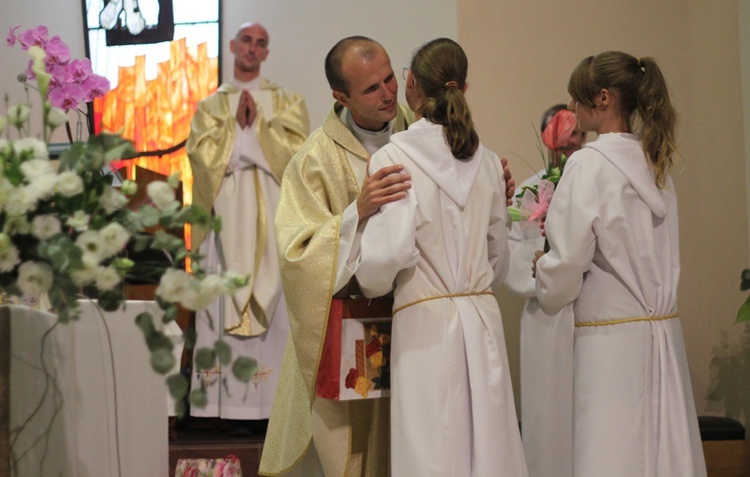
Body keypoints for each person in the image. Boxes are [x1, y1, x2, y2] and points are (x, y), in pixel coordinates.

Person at [259, 36, 516, 477]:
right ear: (341, 97)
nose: (388, 94)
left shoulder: (431, 132)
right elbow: (297, 253)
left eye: (389, 79)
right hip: (358, 335)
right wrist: (356, 213)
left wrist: (489, 188)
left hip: (422, 324)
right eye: (371, 89)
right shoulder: (314, 159)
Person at [355, 38, 529, 476]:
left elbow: (384, 261)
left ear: (411, 83)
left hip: (426, 329)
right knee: (487, 449)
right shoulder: (488, 161)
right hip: (482, 318)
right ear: (463, 88)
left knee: (433, 450)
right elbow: (500, 262)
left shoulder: (393, 158)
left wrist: (369, 274)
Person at [533, 51, 706, 476]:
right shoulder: (656, 162)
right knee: (660, 452)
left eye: (577, 100)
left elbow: (570, 258)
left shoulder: (588, 164)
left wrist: (545, 273)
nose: (572, 110)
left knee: (611, 452)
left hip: (609, 346)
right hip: (662, 334)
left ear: (604, 99)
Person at [186, 22, 309, 428]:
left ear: (266, 53)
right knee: (221, 299)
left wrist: (256, 130)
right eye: (247, 42)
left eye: (261, 44)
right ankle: (220, 409)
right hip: (224, 222)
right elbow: (202, 160)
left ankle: (273, 409)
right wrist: (236, 133)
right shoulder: (210, 106)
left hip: (272, 219)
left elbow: (298, 158)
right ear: (233, 46)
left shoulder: (287, 102)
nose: (253, 49)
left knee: (274, 312)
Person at [504, 104, 585, 477]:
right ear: (548, 140)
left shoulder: (592, 184)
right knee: (547, 413)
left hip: (588, 312)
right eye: (565, 140)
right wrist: (546, 264)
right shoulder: (530, 192)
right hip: (545, 315)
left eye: (579, 137)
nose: (573, 146)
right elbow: (512, 255)